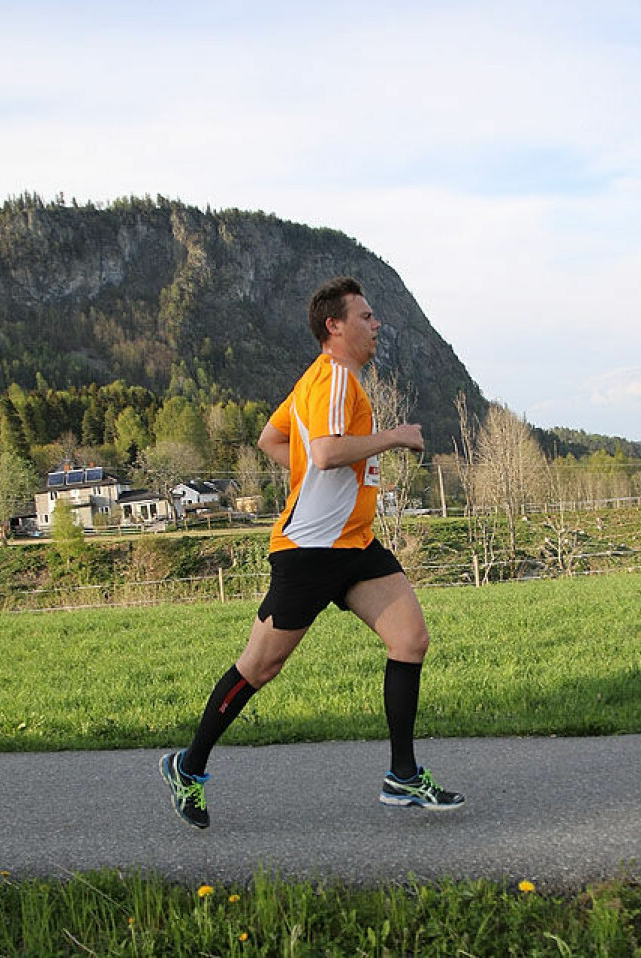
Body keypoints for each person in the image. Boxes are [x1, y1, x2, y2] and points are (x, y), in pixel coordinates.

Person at [159, 276, 465, 828]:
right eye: (367, 317)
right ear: (335, 325)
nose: (376, 326)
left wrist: (314, 477)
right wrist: (395, 437)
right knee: (259, 666)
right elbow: (323, 452)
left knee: (410, 640)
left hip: (354, 544)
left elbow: (272, 440)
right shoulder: (335, 381)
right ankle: (190, 766)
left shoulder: (317, 382)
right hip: (308, 552)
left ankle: (402, 775)